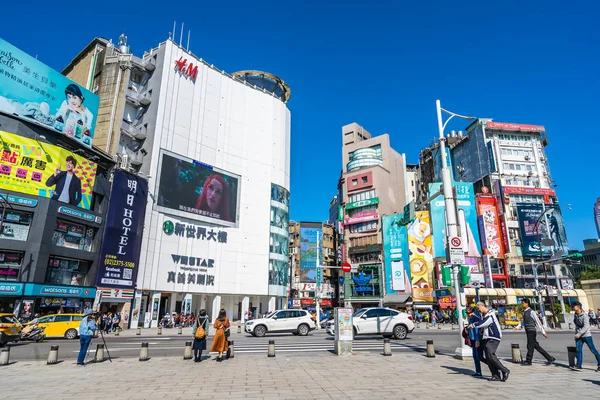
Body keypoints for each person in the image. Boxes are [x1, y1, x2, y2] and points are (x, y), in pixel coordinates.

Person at [468, 301, 510, 382]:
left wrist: (474, 325)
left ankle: (504, 370)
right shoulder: (485, 315)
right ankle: (495, 375)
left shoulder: (491, 314)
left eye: (478, 308)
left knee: (490, 354)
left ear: (482, 306)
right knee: (488, 357)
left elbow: (485, 322)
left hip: (494, 337)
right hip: (487, 337)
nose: (478, 310)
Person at [514, 298, 555, 366]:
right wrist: (517, 327)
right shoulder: (525, 312)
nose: (522, 304)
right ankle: (550, 358)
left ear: (527, 303)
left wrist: (543, 332)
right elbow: (523, 322)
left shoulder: (531, 312)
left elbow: (538, 322)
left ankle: (528, 360)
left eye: (523, 303)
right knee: (536, 346)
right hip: (528, 330)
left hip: (532, 331)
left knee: (530, 346)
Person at [572, 301, 600, 371]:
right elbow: (577, 326)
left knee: (593, 350)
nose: (572, 307)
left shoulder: (585, 316)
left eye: (573, 306)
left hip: (586, 336)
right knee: (578, 350)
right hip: (579, 337)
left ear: (578, 307)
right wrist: (576, 334)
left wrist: (579, 333)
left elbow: (586, 326)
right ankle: (578, 365)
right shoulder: (575, 315)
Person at [466, 306, 486, 377]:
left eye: (470, 313)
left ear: (473, 312)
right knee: (475, 356)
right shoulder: (470, 319)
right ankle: (478, 371)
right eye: (467, 313)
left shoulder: (476, 318)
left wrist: (478, 340)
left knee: (479, 357)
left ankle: (493, 366)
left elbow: (478, 331)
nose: (468, 314)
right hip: (473, 339)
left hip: (477, 339)